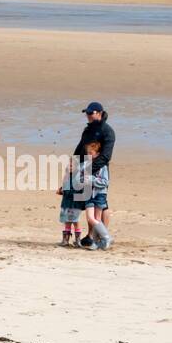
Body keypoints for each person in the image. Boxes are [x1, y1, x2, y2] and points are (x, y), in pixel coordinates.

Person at [74, 101, 116, 247]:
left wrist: (90, 171)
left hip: (99, 170)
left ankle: (102, 236)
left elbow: (106, 156)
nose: (88, 115)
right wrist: (74, 165)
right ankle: (92, 235)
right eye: (87, 113)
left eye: (90, 113)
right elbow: (80, 149)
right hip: (85, 170)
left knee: (102, 205)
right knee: (89, 204)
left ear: (99, 113)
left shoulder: (107, 131)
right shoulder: (88, 130)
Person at [80, 141, 112, 250]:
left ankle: (97, 242)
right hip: (88, 194)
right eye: (87, 153)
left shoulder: (102, 167)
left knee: (97, 218)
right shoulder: (85, 165)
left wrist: (91, 180)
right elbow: (80, 179)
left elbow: (105, 182)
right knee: (90, 218)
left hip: (99, 194)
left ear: (97, 154)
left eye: (91, 153)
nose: (88, 155)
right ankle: (107, 237)